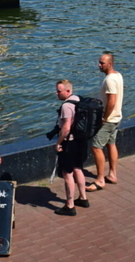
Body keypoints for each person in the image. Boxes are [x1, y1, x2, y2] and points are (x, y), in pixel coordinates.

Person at [86, 52, 123, 192]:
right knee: (111, 144)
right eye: (99, 62)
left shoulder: (109, 80)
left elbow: (111, 101)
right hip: (117, 118)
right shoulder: (118, 75)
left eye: (102, 63)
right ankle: (112, 174)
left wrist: (104, 118)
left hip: (109, 120)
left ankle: (100, 180)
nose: (99, 65)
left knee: (96, 147)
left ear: (110, 64)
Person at [53, 80, 90, 216]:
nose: (56, 93)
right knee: (78, 168)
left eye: (59, 91)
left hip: (70, 143)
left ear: (68, 91)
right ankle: (83, 198)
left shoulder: (66, 106)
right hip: (81, 141)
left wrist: (58, 142)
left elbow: (66, 127)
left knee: (67, 173)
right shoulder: (78, 99)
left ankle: (69, 206)